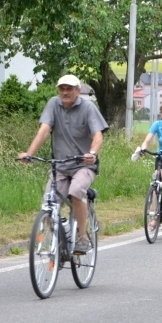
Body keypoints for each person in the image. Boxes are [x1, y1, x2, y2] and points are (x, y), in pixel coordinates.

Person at [18, 74, 108, 254]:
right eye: (62, 89)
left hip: (83, 165)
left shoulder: (88, 107)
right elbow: (44, 130)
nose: (65, 92)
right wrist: (29, 154)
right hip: (60, 166)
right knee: (48, 203)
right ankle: (62, 241)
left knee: (76, 191)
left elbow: (98, 135)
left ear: (78, 90)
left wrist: (92, 153)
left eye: (69, 89)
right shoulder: (53, 104)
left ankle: (82, 237)